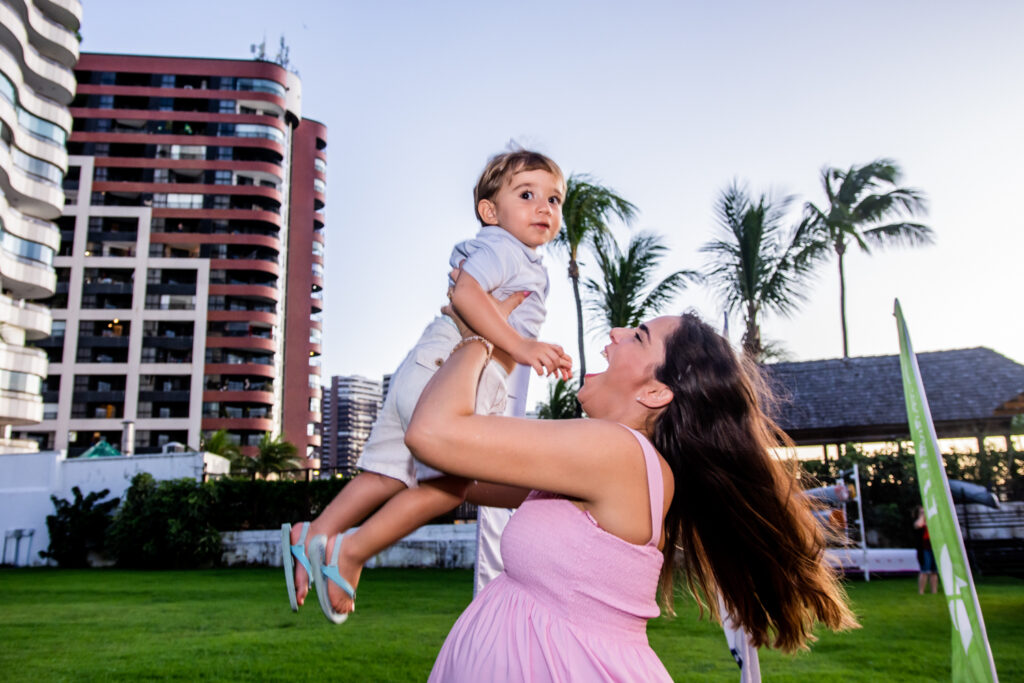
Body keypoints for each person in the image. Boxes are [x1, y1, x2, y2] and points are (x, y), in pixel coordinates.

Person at [406, 299, 859, 681]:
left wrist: (479, 333)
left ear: (657, 392)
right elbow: (457, 477)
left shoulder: (617, 453)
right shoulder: (610, 463)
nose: (618, 332)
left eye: (638, 337)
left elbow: (432, 435)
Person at [281, 149, 573, 622]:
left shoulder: (499, 249)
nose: (545, 207)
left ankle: (313, 534)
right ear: (490, 211)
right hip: (450, 377)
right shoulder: (504, 249)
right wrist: (520, 346)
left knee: (386, 475)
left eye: (555, 199)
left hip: (423, 368)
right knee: (451, 483)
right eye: (528, 195)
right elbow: (465, 294)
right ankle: (351, 551)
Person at [914, 506, 938, 594]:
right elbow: (918, 525)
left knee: (934, 571)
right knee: (924, 570)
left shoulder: (933, 521)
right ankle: (921, 591)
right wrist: (922, 515)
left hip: (934, 548)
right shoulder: (920, 522)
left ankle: (934, 591)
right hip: (924, 548)